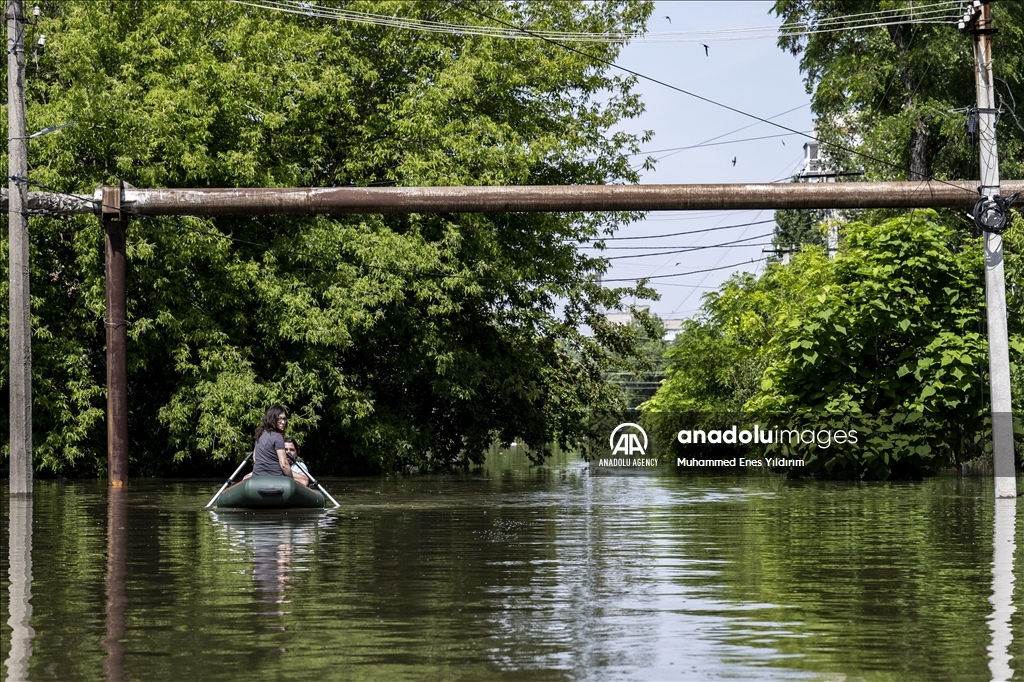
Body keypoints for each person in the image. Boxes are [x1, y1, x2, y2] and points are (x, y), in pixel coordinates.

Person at [252, 405, 309, 486]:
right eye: (280, 419)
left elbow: (255, 458)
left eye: (284, 419)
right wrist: (292, 482)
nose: (283, 422)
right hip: (276, 480)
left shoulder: (260, 434)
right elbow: (284, 465)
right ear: (272, 419)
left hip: (257, 480)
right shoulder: (278, 436)